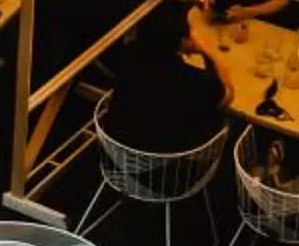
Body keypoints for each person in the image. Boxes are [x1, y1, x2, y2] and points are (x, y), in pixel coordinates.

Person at [96, 12, 230, 154]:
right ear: (182, 41)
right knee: (222, 119)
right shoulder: (194, 79)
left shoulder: (128, 56)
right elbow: (227, 95)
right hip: (164, 162)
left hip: (115, 148)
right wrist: (208, 52)